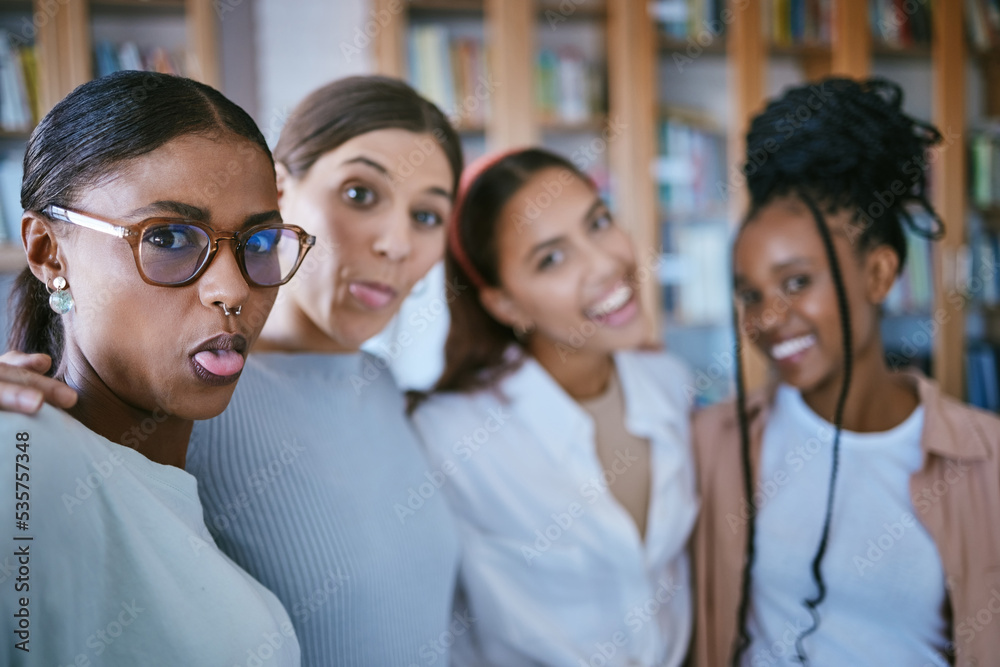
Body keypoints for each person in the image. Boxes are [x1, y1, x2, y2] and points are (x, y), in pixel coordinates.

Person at [0, 70, 314, 665]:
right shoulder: (23, 452)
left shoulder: (171, 492)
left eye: (258, 242)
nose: (231, 289)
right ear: (47, 251)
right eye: (168, 237)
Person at [693, 77, 1000, 667]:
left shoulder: (985, 461)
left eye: (797, 281)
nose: (769, 318)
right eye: (749, 294)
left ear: (880, 274)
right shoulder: (714, 445)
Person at [184, 76, 465, 665]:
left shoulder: (382, 387)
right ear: (278, 191)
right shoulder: (200, 395)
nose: (395, 243)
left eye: (427, 216)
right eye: (361, 194)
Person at [409, 147, 699, 666]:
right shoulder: (449, 436)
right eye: (552, 258)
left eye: (599, 222)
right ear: (505, 304)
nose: (606, 263)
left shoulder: (670, 384)